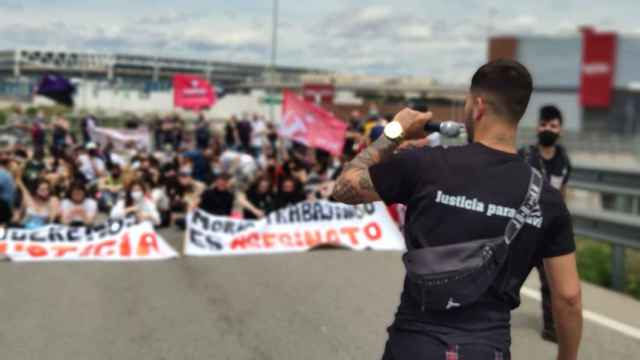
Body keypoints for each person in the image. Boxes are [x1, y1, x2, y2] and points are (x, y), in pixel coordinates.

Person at [332, 59, 582, 360]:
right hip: (487, 349)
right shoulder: (546, 198)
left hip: (414, 345)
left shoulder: (424, 165)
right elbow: (568, 297)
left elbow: (344, 188)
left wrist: (395, 131)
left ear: (477, 105)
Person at [519, 105, 572, 342]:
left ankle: (552, 327)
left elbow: (563, 192)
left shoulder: (564, 160)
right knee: (503, 275)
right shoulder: (525, 156)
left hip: (549, 230)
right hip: (522, 227)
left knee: (552, 283)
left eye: (553, 126)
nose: (547, 129)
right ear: (537, 126)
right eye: (544, 124)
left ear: (560, 130)